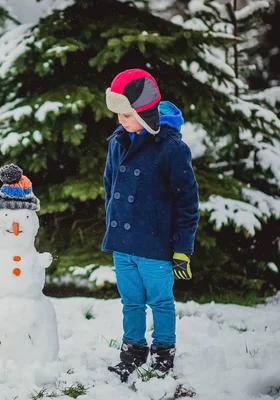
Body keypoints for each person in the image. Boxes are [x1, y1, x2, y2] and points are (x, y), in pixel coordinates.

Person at [102, 68, 200, 382]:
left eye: (126, 114)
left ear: (146, 113)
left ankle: (163, 353)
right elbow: (109, 186)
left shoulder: (172, 149)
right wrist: (113, 225)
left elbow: (187, 203)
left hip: (155, 245)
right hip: (123, 245)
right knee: (130, 301)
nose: (120, 120)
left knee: (159, 300)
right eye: (117, 113)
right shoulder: (117, 142)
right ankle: (132, 350)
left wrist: (183, 248)